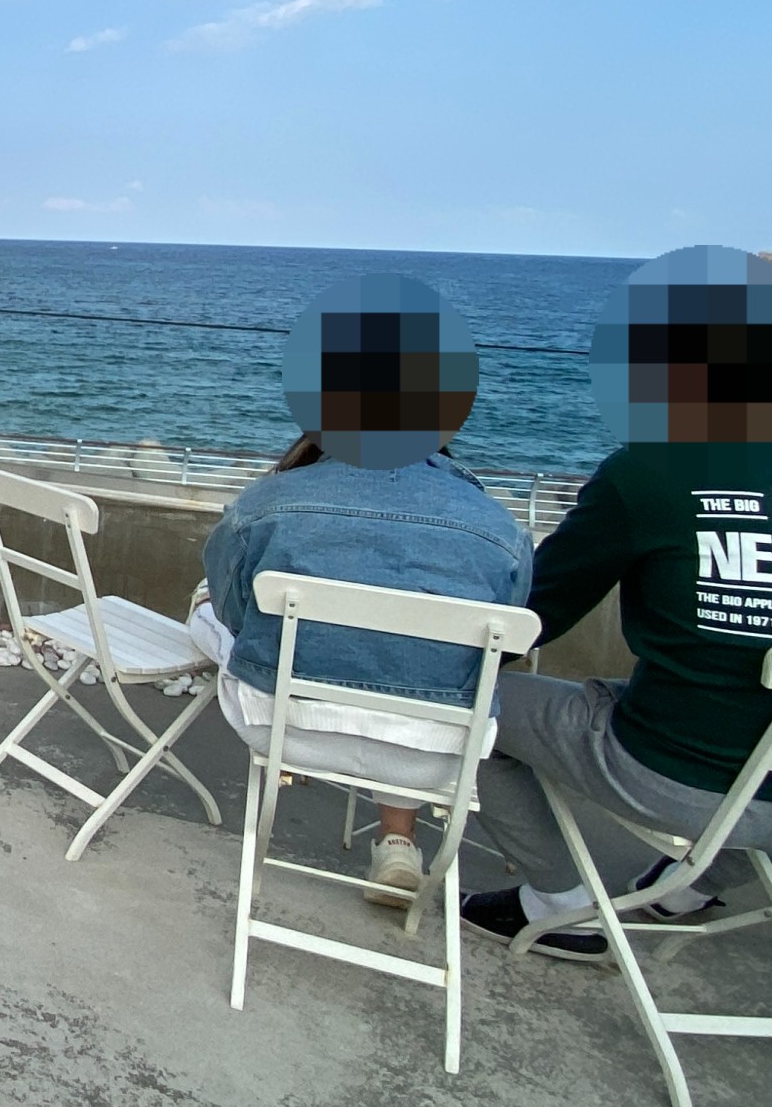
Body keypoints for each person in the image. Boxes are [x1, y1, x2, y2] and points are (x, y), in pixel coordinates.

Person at [460, 247, 772, 962]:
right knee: (768, 729)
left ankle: (559, 904)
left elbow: (528, 617)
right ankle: (682, 891)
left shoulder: (651, 471)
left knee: (475, 705)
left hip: (686, 784)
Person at [194, 275, 534, 906]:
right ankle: (398, 839)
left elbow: (237, 614)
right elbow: (505, 647)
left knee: (208, 601)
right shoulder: (501, 533)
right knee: (422, 665)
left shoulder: (266, 506)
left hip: (283, 724)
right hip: (436, 755)